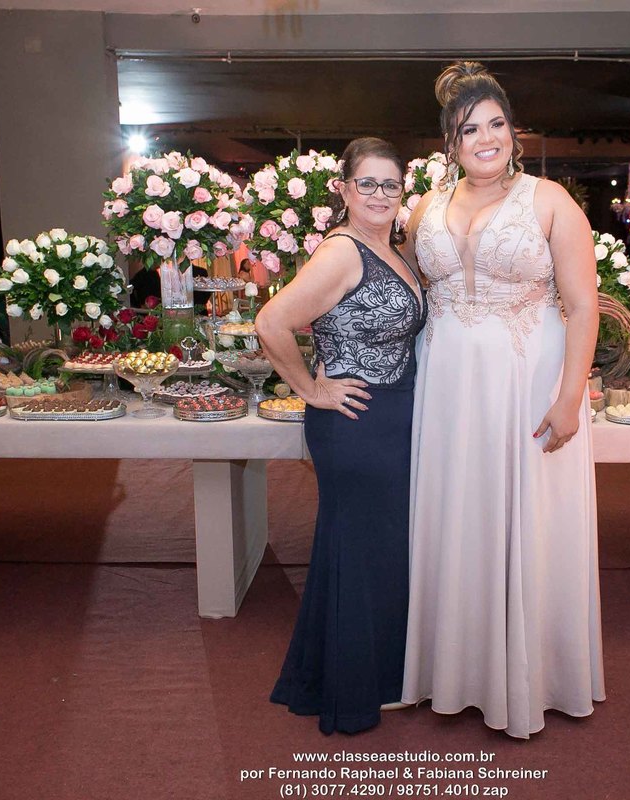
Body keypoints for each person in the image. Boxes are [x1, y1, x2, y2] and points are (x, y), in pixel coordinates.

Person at [400, 61, 604, 739]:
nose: (485, 138)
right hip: (447, 387)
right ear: (450, 142)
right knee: (458, 515)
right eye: (469, 129)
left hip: (526, 383)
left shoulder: (551, 201)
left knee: (525, 523)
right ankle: (454, 671)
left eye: (496, 124)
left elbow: (583, 306)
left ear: (514, 132)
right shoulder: (425, 208)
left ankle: (529, 678)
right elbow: (408, 289)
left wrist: (570, 397)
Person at [256, 137, 426, 735]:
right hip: (355, 422)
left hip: (388, 420)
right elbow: (271, 321)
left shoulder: (391, 248)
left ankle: (351, 675)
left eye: (390, 184)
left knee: (369, 550)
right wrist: (310, 388)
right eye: (367, 183)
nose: (379, 194)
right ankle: (355, 693)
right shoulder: (341, 252)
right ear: (345, 190)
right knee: (362, 553)